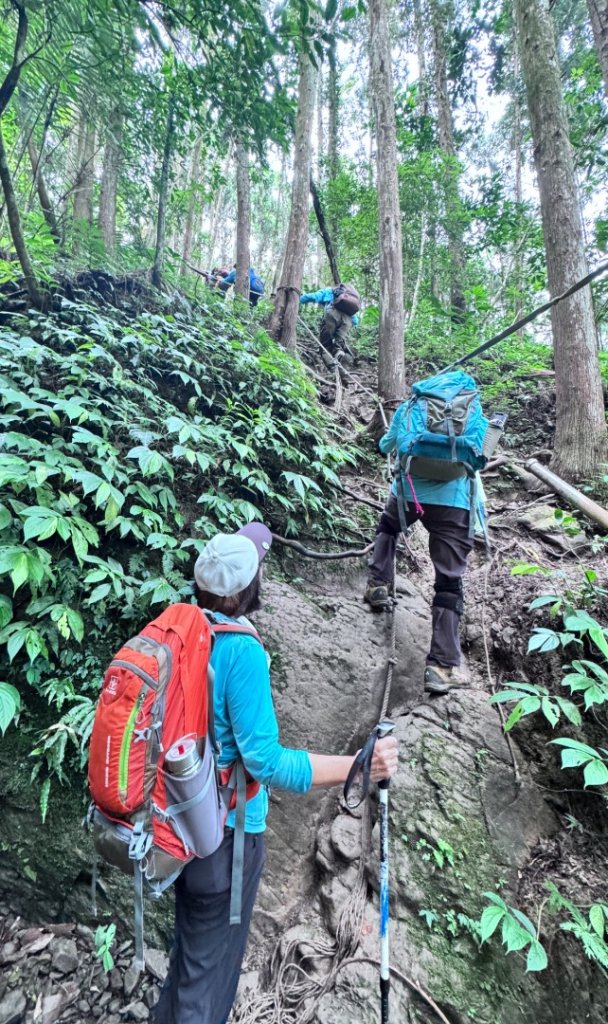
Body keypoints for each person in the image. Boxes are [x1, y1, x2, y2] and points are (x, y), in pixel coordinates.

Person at [153, 522, 398, 1024]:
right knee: (208, 982)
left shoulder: (181, 632)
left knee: (190, 960)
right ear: (242, 591)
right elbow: (267, 762)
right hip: (226, 839)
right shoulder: (240, 650)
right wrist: (360, 766)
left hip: (178, 826)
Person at [365, 408, 481, 697]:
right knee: (449, 581)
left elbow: (385, 446)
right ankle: (440, 667)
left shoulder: (410, 407)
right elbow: (481, 455)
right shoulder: (473, 410)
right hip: (455, 503)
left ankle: (378, 585)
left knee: (388, 526)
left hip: (409, 492)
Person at [299, 284, 360, 367]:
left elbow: (314, 297)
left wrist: (299, 299)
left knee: (326, 341)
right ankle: (338, 351)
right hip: (347, 320)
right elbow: (355, 321)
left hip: (332, 314)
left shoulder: (328, 291)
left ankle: (329, 363)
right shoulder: (348, 299)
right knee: (339, 341)